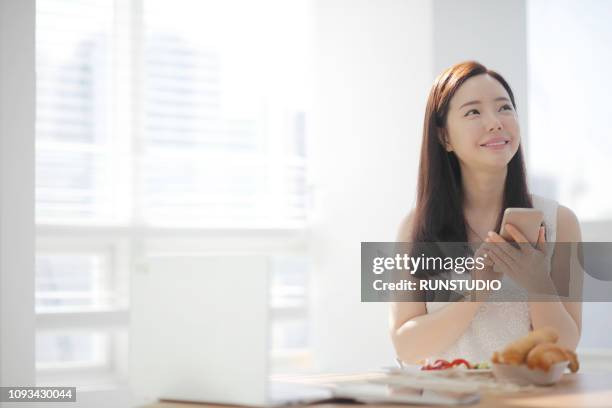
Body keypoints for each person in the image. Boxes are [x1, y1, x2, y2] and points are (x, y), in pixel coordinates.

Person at [389, 61, 582, 364]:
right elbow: (406, 348)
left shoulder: (559, 221)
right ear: (444, 137)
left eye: (504, 108)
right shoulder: (416, 227)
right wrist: (478, 292)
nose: (495, 122)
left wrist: (537, 282)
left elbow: (566, 348)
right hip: (449, 398)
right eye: (473, 112)